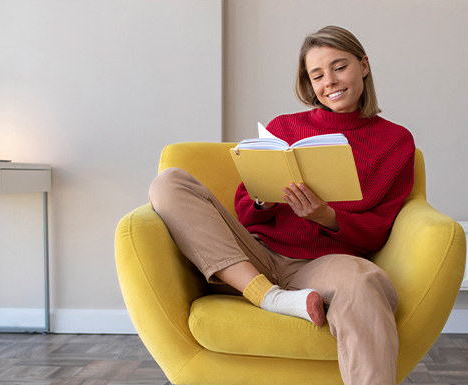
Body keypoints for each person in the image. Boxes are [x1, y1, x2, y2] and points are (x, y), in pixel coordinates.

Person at [149, 25, 415, 385]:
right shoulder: (284, 127)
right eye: (317, 74)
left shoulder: (395, 141)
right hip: (253, 258)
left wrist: (328, 217)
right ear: (308, 82)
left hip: (322, 265)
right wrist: (263, 197)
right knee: (169, 182)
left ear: (363, 65)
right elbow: (244, 210)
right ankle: (269, 297)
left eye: (340, 67)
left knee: (365, 281)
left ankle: (281, 297)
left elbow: (380, 229)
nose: (330, 82)